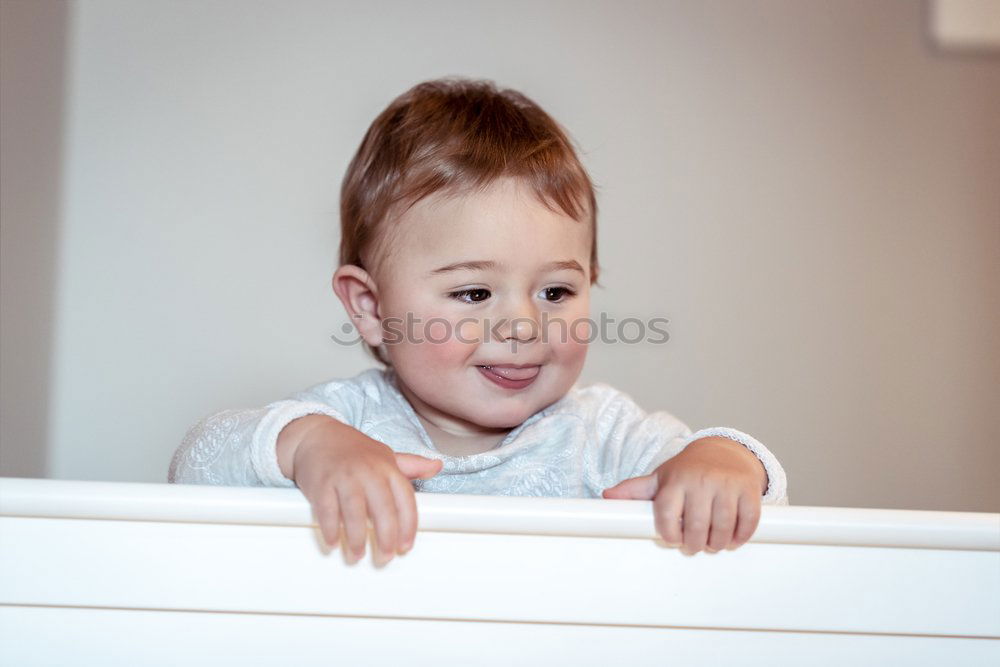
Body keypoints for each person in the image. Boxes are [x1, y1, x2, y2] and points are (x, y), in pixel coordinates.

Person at [169, 77, 788, 567]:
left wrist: (725, 462)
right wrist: (308, 448)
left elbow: (761, 492)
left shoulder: (602, 435)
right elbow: (195, 465)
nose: (522, 324)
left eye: (555, 289)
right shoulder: (345, 426)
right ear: (370, 308)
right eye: (472, 292)